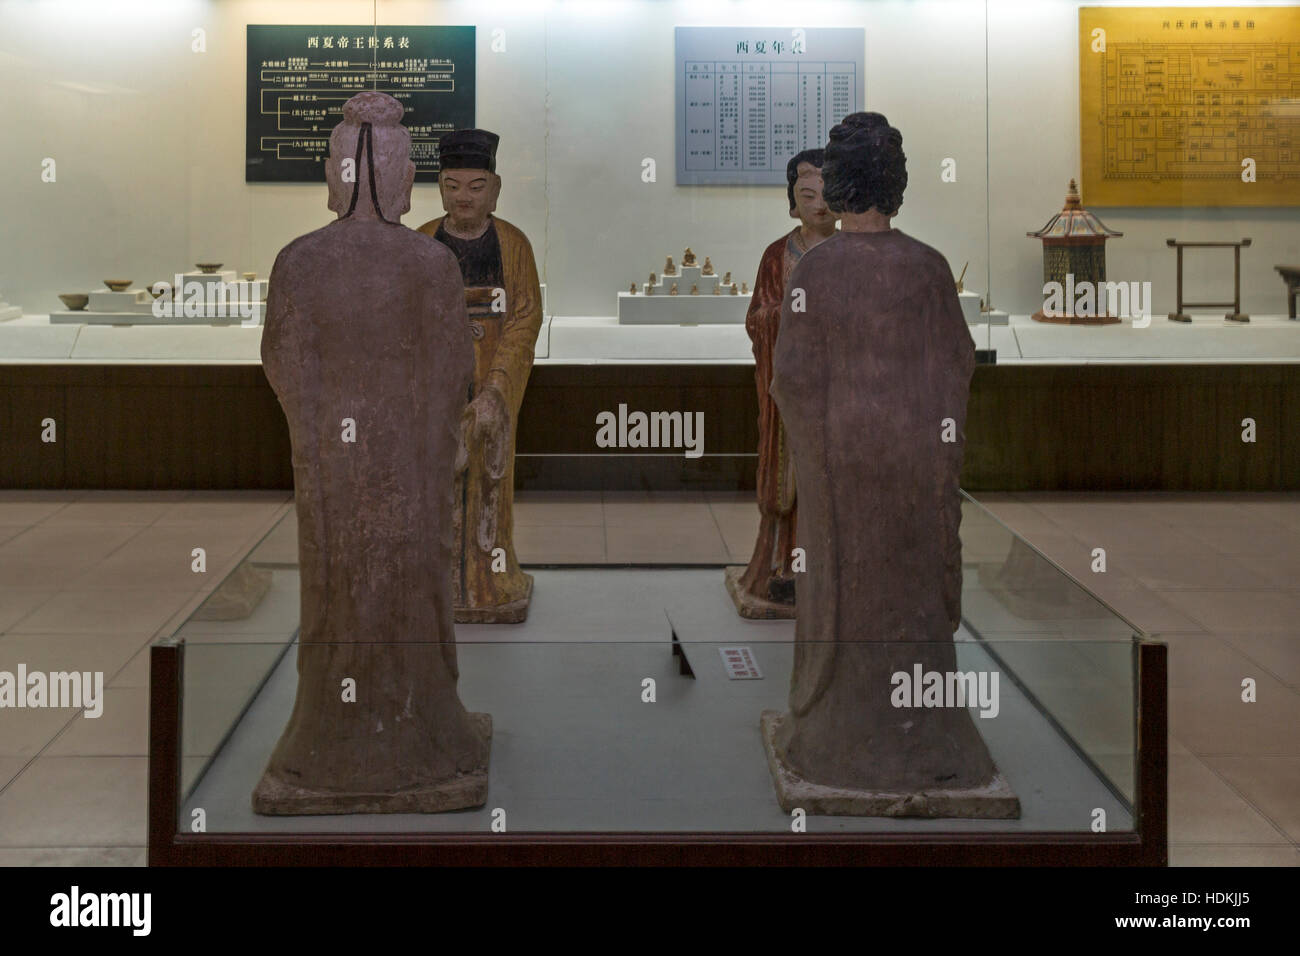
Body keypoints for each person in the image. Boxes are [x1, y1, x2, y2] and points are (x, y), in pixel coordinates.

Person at [765, 113, 1015, 815]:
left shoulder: (820, 267)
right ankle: (926, 739)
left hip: (843, 470)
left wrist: (826, 445)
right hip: (913, 463)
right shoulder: (929, 267)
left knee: (845, 596)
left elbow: (793, 377)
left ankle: (838, 738)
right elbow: (957, 364)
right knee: (909, 598)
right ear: (896, 184)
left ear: (839, 186)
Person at [254, 91, 489, 814]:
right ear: (396, 176)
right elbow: (453, 372)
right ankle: (415, 740)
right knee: (408, 586)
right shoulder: (426, 263)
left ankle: (333, 742)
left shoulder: (299, 261)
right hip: (406, 462)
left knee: (338, 591)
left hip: (333, 464)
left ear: (345, 172)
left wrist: (331, 429)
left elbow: (283, 367)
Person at [418, 129, 542, 623]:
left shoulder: (513, 244)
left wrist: (495, 388)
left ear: (495, 188)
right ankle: (437, 582)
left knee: (490, 483)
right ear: (440, 187)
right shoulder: (423, 241)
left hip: (493, 382)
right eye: (452, 186)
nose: (463, 197)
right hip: (435, 388)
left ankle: (492, 578)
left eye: (475, 186)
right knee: (435, 481)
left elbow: (525, 317)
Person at [729, 149, 837, 617]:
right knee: (791, 483)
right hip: (791, 387)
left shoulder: (853, 252)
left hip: (840, 390)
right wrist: (791, 311)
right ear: (792, 203)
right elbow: (757, 319)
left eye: (827, 194)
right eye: (806, 194)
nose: (818, 204)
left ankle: (834, 573)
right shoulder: (779, 255)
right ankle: (782, 569)